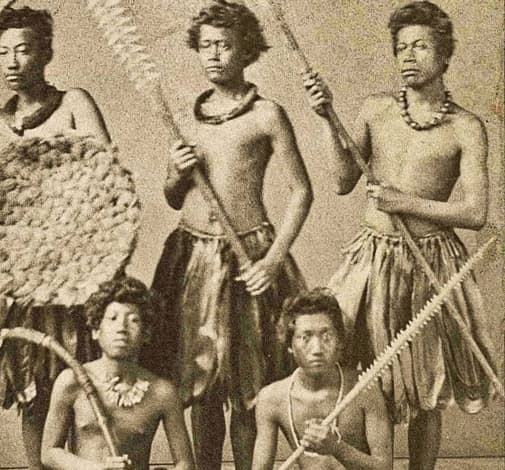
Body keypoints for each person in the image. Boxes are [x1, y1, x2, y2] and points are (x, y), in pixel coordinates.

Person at [303, 2, 496, 469]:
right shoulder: (376, 110)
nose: (408, 56)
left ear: (445, 56)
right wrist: (329, 118)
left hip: (431, 265)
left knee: (426, 387)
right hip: (371, 260)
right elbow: (342, 181)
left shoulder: (466, 127)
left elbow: (475, 212)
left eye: (421, 46)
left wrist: (405, 202)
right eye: (401, 48)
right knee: (366, 375)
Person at [0, 7, 111, 469]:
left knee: (81, 377)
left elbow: (105, 169)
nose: (12, 61)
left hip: (76, 267)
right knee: (32, 380)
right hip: (20, 273)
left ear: (45, 53)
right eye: (3, 52)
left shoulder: (74, 103)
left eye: (24, 50)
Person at [143, 1, 313, 468]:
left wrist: (273, 260)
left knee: (246, 385)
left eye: (225, 45)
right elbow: (172, 198)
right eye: (206, 46)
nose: (214, 55)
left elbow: (302, 192)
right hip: (190, 257)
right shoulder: (185, 114)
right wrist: (176, 174)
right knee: (199, 383)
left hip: (249, 258)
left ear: (246, 50)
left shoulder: (267, 115)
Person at [42, 276, 195, 470]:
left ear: (146, 333)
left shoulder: (163, 393)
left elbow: (185, 464)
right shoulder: (72, 381)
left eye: (133, 320)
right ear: (96, 330)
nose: (122, 328)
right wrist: (95, 469)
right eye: (112, 318)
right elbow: (49, 452)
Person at [252, 288, 392, 470]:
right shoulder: (271, 398)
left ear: (340, 341)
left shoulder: (365, 387)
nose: (317, 348)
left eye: (327, 336)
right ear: (290, 345)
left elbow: (385, 468)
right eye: (305, 337)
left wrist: (336, 448)